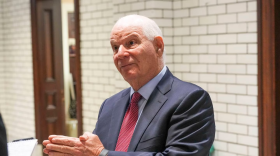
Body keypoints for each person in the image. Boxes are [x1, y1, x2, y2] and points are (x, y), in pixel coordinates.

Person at [43, 15, 215, 156]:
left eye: (131, 43)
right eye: (115, 47)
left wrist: (101, 154)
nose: (120, 54)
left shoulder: (190, 99)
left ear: (158, 46)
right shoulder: (110, 105)